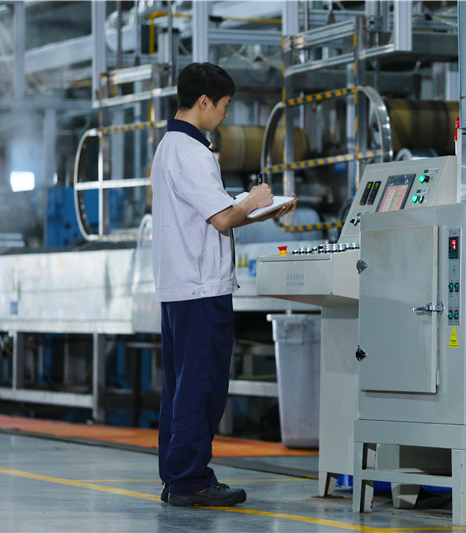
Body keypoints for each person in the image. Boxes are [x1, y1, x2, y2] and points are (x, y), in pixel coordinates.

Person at [150, 62, 295, 507]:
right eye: (224, 105)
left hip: (180, 288)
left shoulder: (169, 147)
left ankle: (177, 475)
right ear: (204, 101)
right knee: (202, 387)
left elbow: (214, 216)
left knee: (180, 387)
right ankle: (191, 480)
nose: (226, 114)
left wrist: (260, 211)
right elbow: (221, 219)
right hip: (201, 289)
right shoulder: (193, 153)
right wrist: (254, 198)